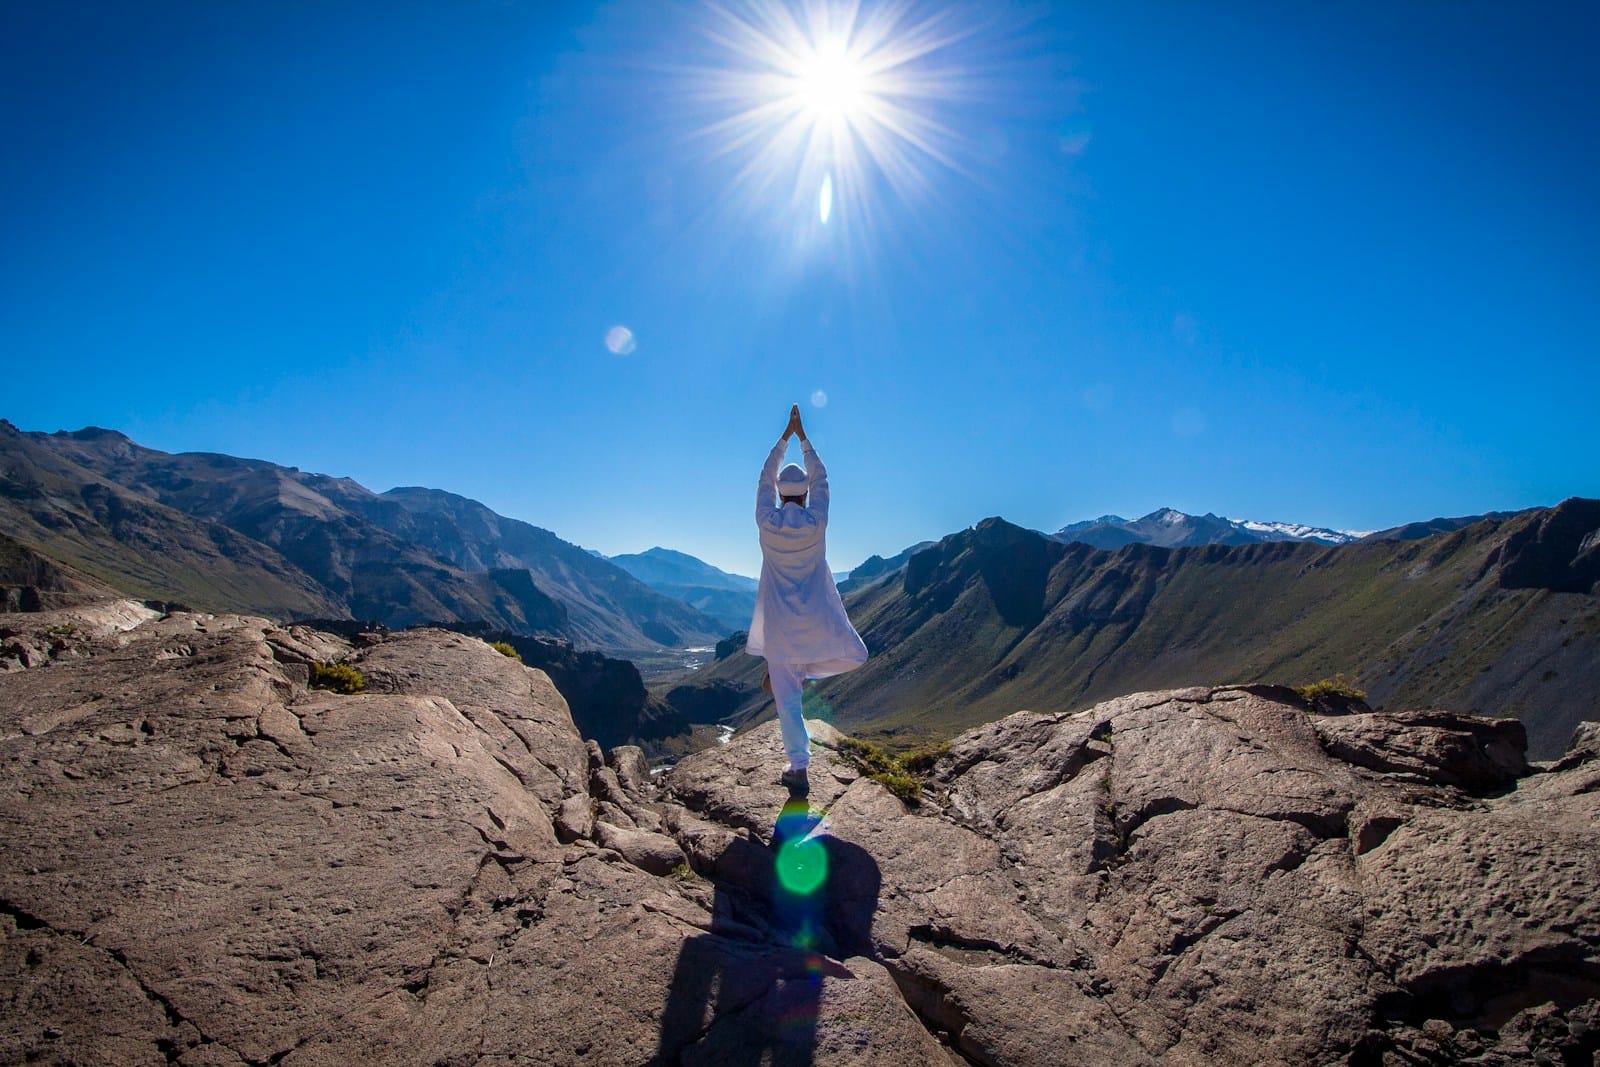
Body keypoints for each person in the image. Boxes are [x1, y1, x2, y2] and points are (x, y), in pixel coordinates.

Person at [748, 404, 869, 792]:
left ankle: (798, 767)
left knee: (788, 704)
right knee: (856, 654)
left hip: (780, 632)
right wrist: (803, 439)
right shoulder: (817, 523)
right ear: (804, 496)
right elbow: (823, 480)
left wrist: (783, 437)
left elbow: (764, 480)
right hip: (816, 625)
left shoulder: (768, 524)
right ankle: (805, 670)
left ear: (781, 496)